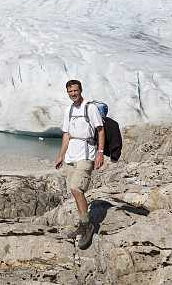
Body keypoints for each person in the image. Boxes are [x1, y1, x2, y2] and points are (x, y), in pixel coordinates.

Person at [54, 79, 104, 250]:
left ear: (81, 90)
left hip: (87, 153)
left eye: (75, 90)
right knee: (74, 192)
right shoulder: (68, 110)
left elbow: (100, 130)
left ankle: (87, 226)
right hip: (72, 155)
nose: (73, 94)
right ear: (67, 92)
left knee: (77, 189)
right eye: (70, 91)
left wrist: (100, 153)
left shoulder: (90, 108)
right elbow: (67, 134)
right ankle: (83, 224)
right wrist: (61, 156)